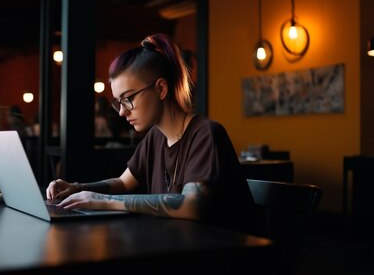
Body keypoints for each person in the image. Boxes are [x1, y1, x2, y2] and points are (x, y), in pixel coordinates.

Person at [46, 33, 257, 234]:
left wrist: (102, 200)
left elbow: (190, 205)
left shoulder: (206, 133)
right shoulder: (156, 137)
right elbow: (123, 183)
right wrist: (77, 188)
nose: (121, 111)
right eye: (118, 103)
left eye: (128, 98)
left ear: (161, 88)